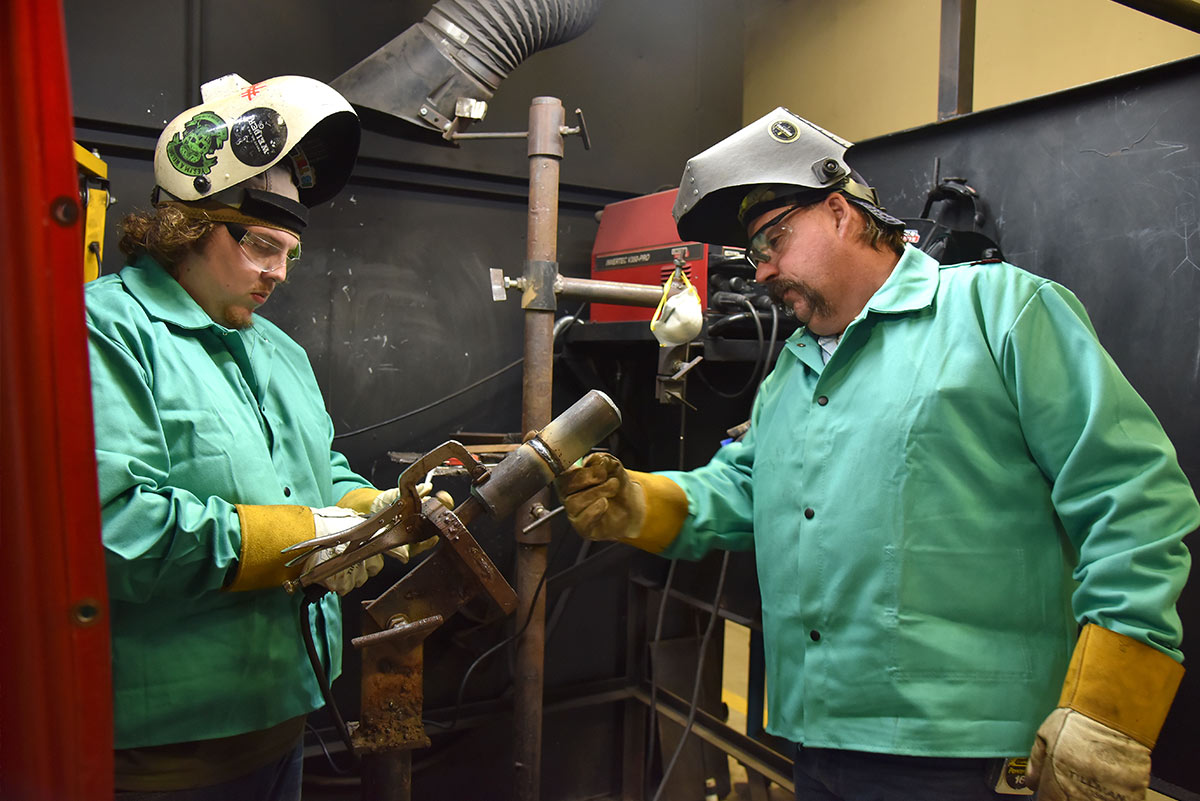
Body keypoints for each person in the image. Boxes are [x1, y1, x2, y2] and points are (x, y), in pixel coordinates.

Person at [556, 108, 1198, 801]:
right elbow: (743, 488)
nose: (764, 270)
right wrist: (633, 501)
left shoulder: (998, 310)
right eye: (754, 254)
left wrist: (1108, 709)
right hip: (816, 736)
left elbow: (1132, 493)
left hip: (968, 752)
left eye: (774, 239)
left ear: (839, 212)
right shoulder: (795, 368)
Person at [87, 74, 406, 799]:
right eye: (261, 245)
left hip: (287, 716)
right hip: (168, 752)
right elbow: (116, 525)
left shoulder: (279, 353)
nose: (278, 274)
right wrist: (306, 539)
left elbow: (320, 466)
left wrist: (367, 512)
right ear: (190, 223)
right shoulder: (105, 329)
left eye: (289, 251)